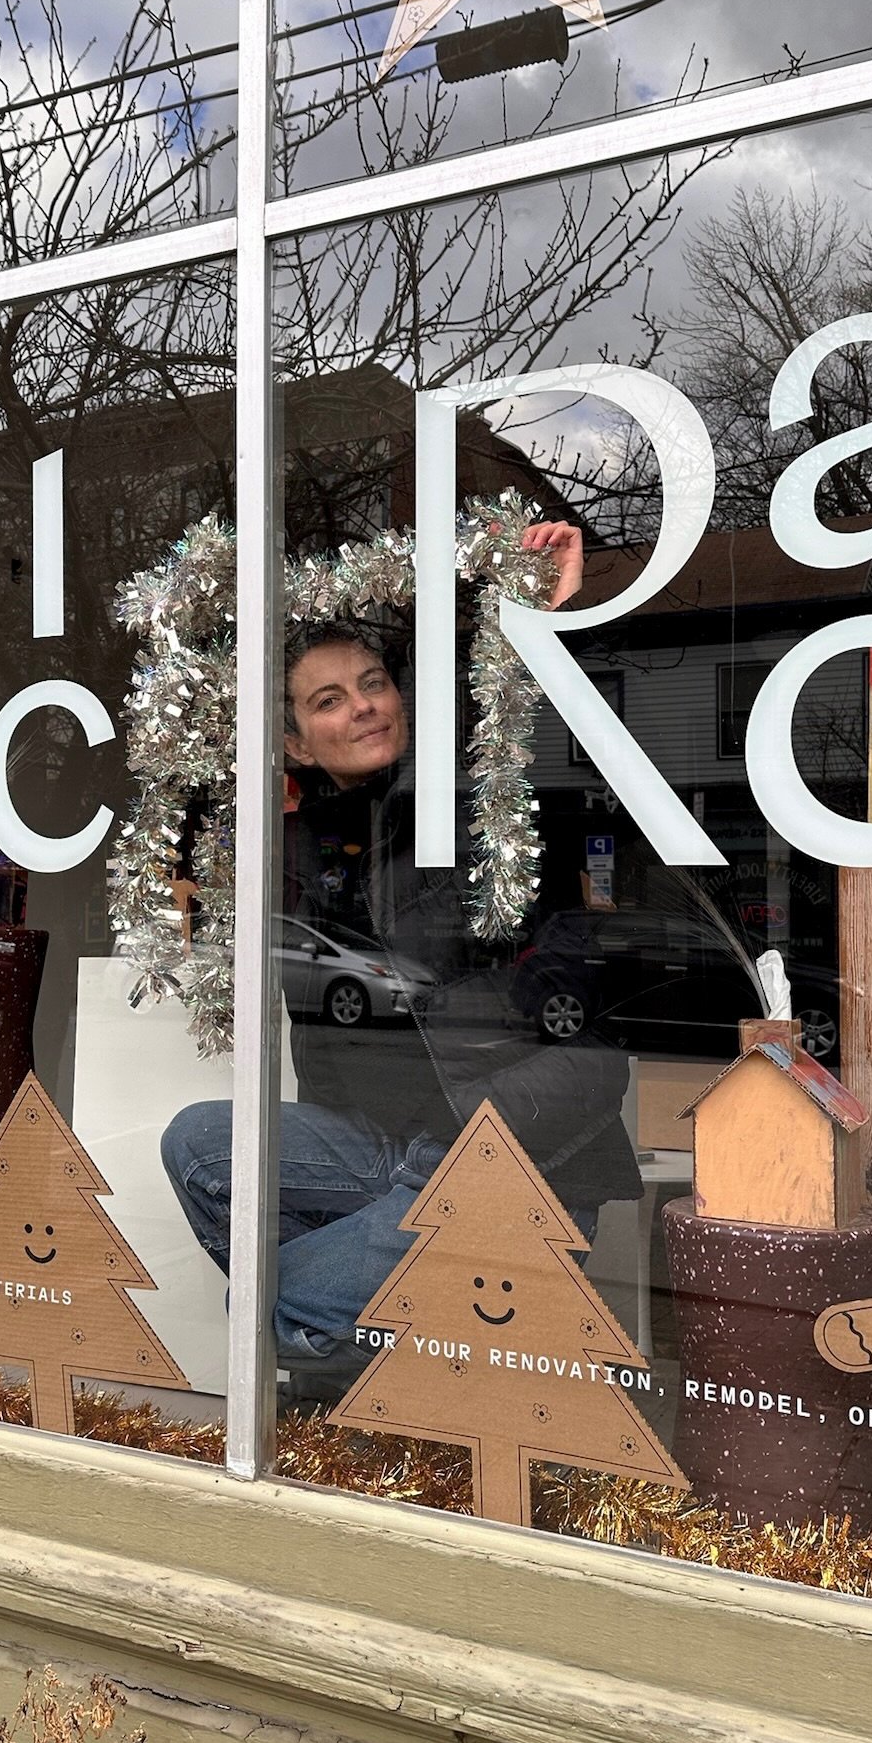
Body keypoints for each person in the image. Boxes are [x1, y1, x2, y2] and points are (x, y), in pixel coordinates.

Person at [160, 520, 640, 1371]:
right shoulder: (298, 843)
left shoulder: (468, 804)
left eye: (374, 683)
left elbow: (538, 731)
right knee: (199, 1144)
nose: (365, 706)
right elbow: (190, 834)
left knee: (277, 1306)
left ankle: (387, 1341)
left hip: (507, 1153)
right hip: (383, 1148)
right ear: (294, 742)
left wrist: (552, 618)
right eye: (329, 700)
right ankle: (396, 1324)